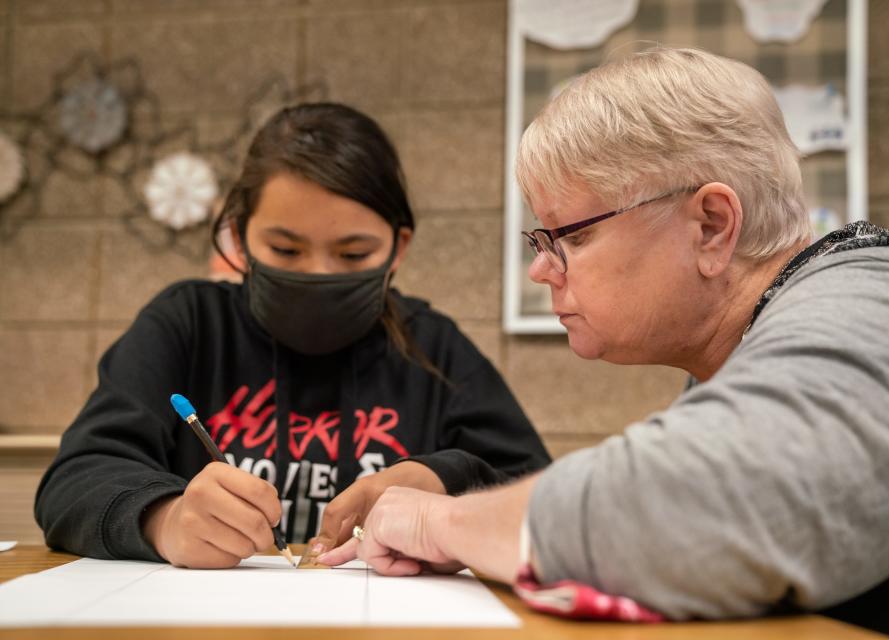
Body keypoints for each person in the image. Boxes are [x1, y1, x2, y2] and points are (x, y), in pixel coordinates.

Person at [316, 49, 889, 638]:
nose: (542, 269)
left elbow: (680, 507)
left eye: (572, 236)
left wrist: (436, 524)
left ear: (711, 225)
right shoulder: (755, 339)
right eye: (541, 242)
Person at [34, 102, 550, 569]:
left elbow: (540, 491)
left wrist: (446, 480)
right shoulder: (189, 322)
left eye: (352, 255)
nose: (319, 275)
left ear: (398, 248)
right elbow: (75, 480)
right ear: (238, 237)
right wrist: (164, 520)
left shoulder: (431, 345)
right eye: (285, 250)